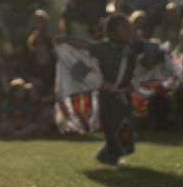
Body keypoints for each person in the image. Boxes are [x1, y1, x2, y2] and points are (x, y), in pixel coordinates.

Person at [58, 14, 160, 166]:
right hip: (108, 95)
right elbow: (85, 45)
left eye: (129, 27)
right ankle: (109, 155)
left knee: (127, 125)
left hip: (125, 94)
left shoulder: (134, 45)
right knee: (113, 127)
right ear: (112, 33)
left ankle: (109, 154)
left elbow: (150, 52)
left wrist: (156, 49)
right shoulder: (104, 47)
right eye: (124, 28)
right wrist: (66, 40)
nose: (129, 31)